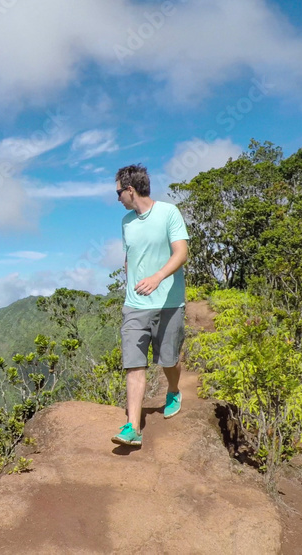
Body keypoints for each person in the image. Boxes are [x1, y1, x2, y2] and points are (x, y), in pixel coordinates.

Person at [110, 164, 189, 447]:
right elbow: (130, 256)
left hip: (169, 302)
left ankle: (174, 390)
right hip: (135, 304)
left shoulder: (169, 213)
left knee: (168, 359)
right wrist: (131, 284)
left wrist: (157, 277)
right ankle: (133, 427)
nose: (117, 198)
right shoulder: (126, 222)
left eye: (119, 192)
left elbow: (182, 252)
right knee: (134, 364)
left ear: (130, 190)